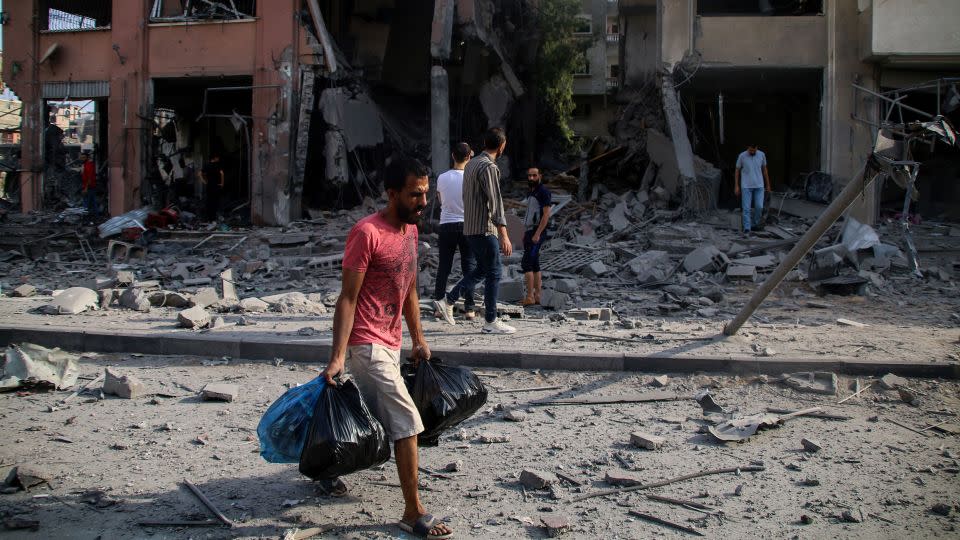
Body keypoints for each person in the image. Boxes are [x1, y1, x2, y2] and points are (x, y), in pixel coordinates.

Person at [320, 156, 453, 540]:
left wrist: (419, 340)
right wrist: (337, 357)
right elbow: (347, 298)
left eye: (426, 194)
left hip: (391, 343)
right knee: (406, 419)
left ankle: (325, 469)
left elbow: (409, 289)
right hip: (365, 343)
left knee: (369, 421)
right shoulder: (366, 233)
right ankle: (413, 512)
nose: (423, 202)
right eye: (415, 195)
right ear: (392, 193)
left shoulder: (410, 233)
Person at [434, 127, 515, 334]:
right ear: (502, 146)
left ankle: (449, 299)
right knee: (494, 272)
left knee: (481, 269)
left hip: (470, 228)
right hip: (484, 229)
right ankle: (490, 321)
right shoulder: (488, 167)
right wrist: (504, 234)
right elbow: (495, 203)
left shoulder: (471, 165)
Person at [432, 142, 477, 321]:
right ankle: (470, 309)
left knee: (444, 266)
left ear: (452, 156)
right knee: (470, 267)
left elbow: (441, 200)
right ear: (469, 157)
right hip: (468, 225)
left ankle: (438, 306)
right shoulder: (472, 177)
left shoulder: (442, 177)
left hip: (447, 225)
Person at [520, 166, 552, 306]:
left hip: (536, 232)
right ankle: (537, 296)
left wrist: (537, 234)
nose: (531, 178)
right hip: (529, 232)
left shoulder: (543, 192)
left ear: (540, 176)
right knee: (535, 264)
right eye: (529, 176)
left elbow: (546, 215)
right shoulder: (531, 192)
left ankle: (530, 297)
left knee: (526, 263)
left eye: (534, 175)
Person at [734, 144, 772, 236]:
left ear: (757, 148)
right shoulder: (742, 156)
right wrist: (736, 185)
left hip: (759, 185)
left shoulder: (761, 155)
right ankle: (747, 228)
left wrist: (768, 184)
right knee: (746, 208)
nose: (752, 152)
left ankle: (755, 224)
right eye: (750, 150)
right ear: (748, 148)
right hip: (746, 186)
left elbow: (764, 170)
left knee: (759, 206)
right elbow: (737, 170)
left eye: (753, 151)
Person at [201, 153, 224, 221]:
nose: (218, 159)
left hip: (209, 186)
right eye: (217, 157)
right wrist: (222, 183)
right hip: (216, 185)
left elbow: (200, 174)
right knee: (215, 201)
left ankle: (209, 217)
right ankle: (213, 217)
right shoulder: (217, 165)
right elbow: (222, 173)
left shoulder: (207, 165)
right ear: (214, 158)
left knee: (209, 201)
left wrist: (204, 181)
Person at [80, 151, 98, 216]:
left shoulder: (88, 165)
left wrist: (85, 188)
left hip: (89, 186)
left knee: (86, 203)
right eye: (81, 158)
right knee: (93, 201)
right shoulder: (86, 165)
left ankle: (85, 216)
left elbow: (89, 178)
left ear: (87, 158)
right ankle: (96, 215)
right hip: (90, 186)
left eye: (83, 157)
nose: (82, 159)